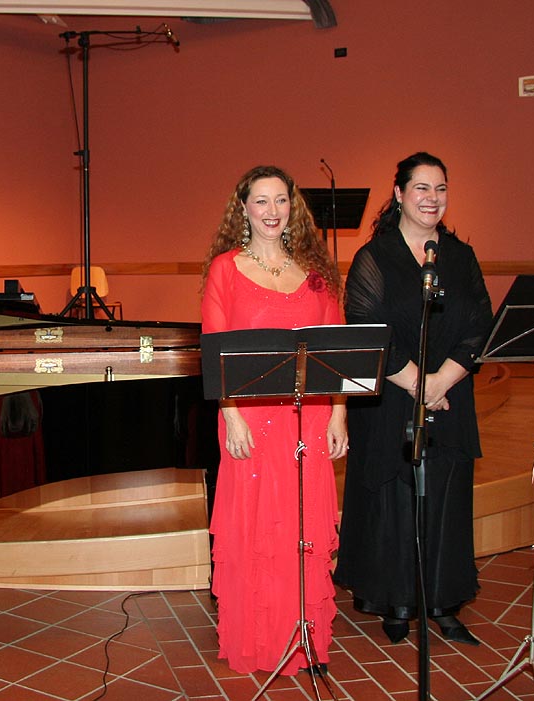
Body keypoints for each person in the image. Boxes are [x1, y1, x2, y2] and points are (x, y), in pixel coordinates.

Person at [333, 152, 493, 646]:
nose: (432, 198)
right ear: (399, 194)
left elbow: (480, 323)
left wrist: (442, 382)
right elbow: (366, 326)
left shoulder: (460, 256)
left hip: (450, 395)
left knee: (445, 498)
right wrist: (420, 385)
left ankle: (442, 601)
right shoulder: (375, 257)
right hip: (393, 399)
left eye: (440, 189)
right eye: (421, 188)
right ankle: (397, 601)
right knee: (395, 500)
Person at [201, 165, 347, 675]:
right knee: (256, 528)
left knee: (303, 525)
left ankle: (302, 637)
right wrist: (232, 417)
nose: (272, 211)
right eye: (261, 201)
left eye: (280, 200)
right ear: (243, 208)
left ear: (293, 206)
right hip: (248, 417)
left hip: (310, 416)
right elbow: (216, 350)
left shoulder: (316, 272)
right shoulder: (225, 269)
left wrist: (339, 413)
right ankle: (259, 640)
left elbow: (338, 349)